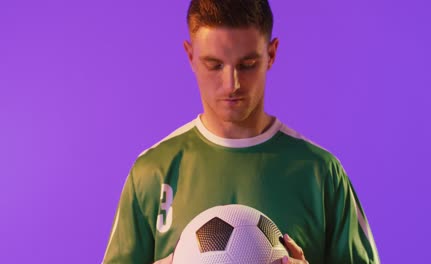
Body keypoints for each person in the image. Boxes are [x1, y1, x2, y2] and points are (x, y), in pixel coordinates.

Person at [102, 0, 380, 263]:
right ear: (190, 56)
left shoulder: (321, 173)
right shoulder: (152, 171)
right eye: (215, 65)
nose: (231, 83)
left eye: (247, 65)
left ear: (271, 54)